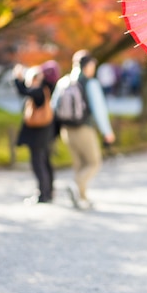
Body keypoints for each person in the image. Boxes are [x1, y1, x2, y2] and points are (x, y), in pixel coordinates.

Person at [53, 51, 115, 210]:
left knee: (79, 165)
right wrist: (107, 131)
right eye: (92, 66)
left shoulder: (63, 81)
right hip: (83, 128)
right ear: (87, 66)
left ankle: (82, 198)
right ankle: (75, 186)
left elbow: (53, 107)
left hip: (66, 130)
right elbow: (99, 109)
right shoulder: (90, 83)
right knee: (94, 162)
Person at [13, 63, 58, 204]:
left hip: (38, 135)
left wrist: (17, 78)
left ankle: (43, 193)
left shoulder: (39, 91)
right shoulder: (45, 89)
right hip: (45, 134)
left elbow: (23, 91)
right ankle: (48, 192)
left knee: (38, 163)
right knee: (45, 161)